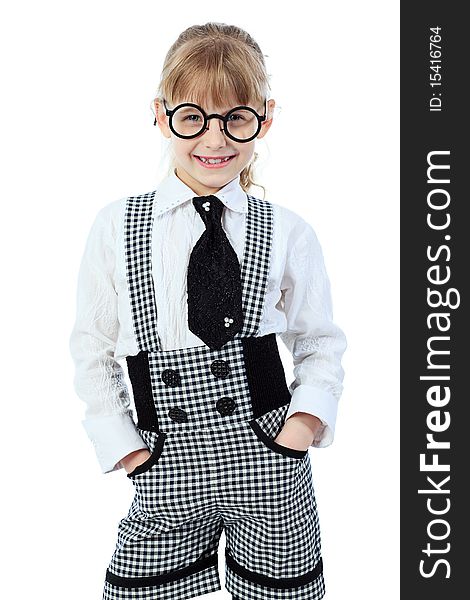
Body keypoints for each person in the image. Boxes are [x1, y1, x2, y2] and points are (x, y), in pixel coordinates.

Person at [69, 21, 347, 600]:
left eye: (236, 118)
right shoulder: (116, 226)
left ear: (264, 118)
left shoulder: (288, 231)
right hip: (164, 463)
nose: (214, 141)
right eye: (192, 116)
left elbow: (320, 342)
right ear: (160, 112)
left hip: (270, 460)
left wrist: (304, 425)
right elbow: (92, 346)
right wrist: (124, 446)